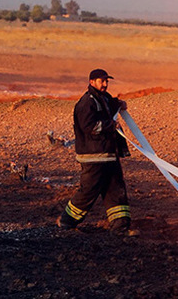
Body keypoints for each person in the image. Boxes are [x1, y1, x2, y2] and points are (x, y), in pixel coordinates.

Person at [57, 69, 136, 235]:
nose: (105, 84)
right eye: (102, 81)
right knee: (89, 190)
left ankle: (120, 227)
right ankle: (66, 221)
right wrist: (111, 126)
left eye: (107, 81)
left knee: (116, 190)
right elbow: (90, 127)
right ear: (92, 82)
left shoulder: (104, 99)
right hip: (93, 157)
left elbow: (108, 106)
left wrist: (119, 104)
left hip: (109, 155)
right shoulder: (86, 103)